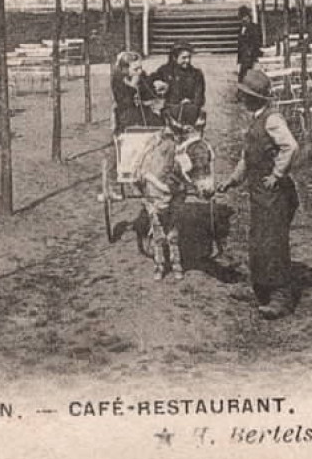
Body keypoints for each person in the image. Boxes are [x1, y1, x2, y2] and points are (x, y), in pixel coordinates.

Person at [218, 68, 301, 319]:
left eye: (246, 95)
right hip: (258, 193)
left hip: (274, 194)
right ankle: (261, 289)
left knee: (273, 242)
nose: (242, 99)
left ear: (256, 98)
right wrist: (232, 181)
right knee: (258, 240)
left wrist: (277, 174)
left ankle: (281, 297)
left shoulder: (272, 119)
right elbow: (247, 157)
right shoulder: (255, 119)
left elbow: (291, 146)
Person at [128, 101, 229, 280]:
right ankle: (160, 264)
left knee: (174, 226)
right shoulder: (166, 130)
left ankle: (176, 262)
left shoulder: (184, 130)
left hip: (176, 159)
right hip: (159, 177)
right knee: (157, 223)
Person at [150, 42, 206, 128]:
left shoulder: (196, 74)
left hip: (191, 111)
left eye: (189, 57)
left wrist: (191, 102)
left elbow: (200, 96)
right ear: (174, 58)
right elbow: (150, 81)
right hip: (170, 111)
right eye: (184, 58)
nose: (187, 61)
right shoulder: (164, 71)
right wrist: (156, 82)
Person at [111, 50, 161, 134]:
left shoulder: (142, 76)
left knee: (157, 122)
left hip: (144, 111)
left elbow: (150, 94)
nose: (140, 71)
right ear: (124, 69)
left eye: (140, 67)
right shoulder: (118, 81)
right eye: (136, 69)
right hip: (126, 113)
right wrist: (132, 86)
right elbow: (125, 102)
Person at [236, 5, 263, 82]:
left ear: (249, 17)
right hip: (243, 59)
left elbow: (257, 44)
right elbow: (239, 47)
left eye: (245, 17)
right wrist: (238, 62)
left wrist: (254, 59)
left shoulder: (254, 28)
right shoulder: (241, 29)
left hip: (251, 59)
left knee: (250, 80)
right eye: (241, 18)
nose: (243, 20)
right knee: (241, 79)